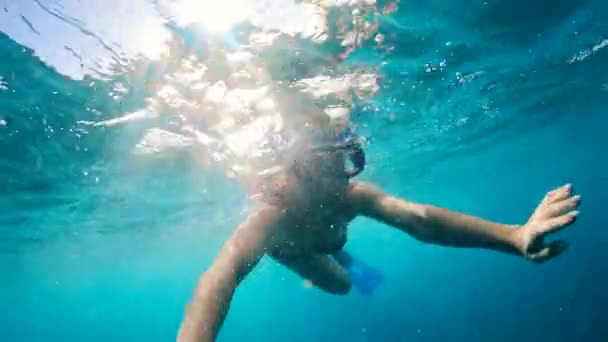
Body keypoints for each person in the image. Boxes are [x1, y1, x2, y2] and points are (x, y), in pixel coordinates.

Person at [176, 119, 581, 342]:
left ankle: (339, 250)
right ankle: (328, 254)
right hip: (294, 251)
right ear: (294, 172)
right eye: (321, 169)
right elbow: (221, 275)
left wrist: (513, 236)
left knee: (343, 280)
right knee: (340, 285)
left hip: (325, 241)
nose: (336, 180)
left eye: (346, 163)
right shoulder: (271, 218)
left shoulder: (352, 196)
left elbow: (419, 218)